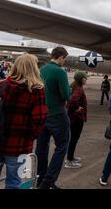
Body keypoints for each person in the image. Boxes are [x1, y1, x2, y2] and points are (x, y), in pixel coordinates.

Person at [0, 54, 47, 189]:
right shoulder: (36, 90)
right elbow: (40, 117)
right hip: (19, 145)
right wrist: (32, 137)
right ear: (34, 68)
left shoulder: (0, 86)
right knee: (14, 183)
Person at [36, 47, 72, 189]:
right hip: (57, 113)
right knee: (62, 146)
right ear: (61, 57)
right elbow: (66, 95)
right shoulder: (60, 72)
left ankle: (40, 178)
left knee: (41, 147)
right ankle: (48, 182)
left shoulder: (42, 70)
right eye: (65, 59)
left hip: (42, 112)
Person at [65, 71, 88, 169]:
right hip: (77, 118)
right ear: (81, 79)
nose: (86, 79)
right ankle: (69, 161)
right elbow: (73, 100)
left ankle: (71, 157)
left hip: (72, 117)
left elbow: (69, 100)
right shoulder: (79, 89)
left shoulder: (73, 86)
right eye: (85, 77)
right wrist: (78, 108)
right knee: (74, 139)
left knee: (73, 139)